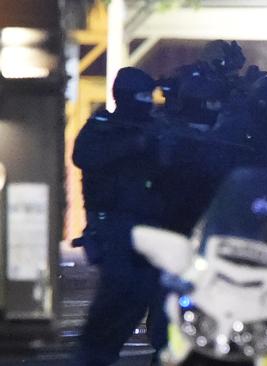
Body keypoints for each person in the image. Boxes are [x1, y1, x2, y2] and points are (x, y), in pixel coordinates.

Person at [72, 67, 168, 366]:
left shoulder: (159, 128)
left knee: (164, 307)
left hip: (155, 230)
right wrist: (135, 144)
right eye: (141, 96)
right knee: (117, 306)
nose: (147, 103)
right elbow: (84, 156)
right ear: (124, 97)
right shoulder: (103, 126)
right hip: (113, 227)